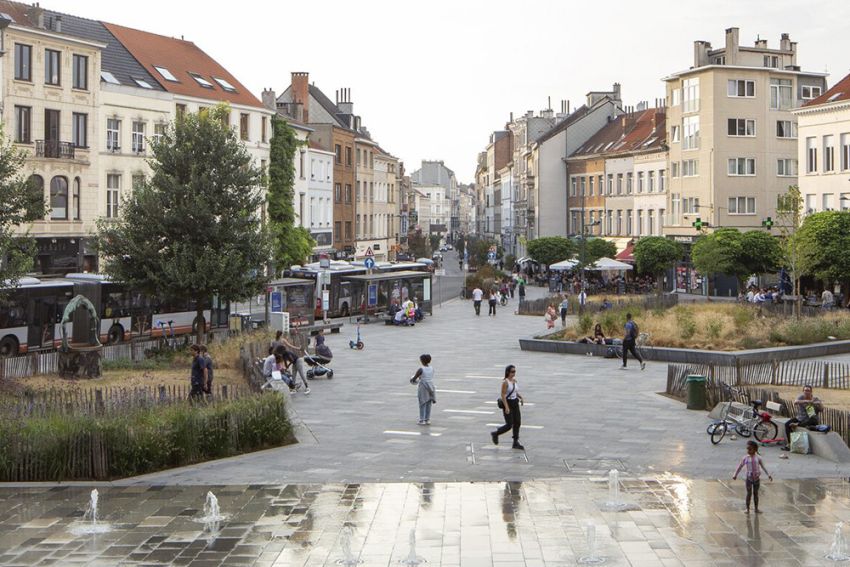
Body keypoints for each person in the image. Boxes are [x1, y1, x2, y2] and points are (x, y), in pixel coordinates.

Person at [732, 440, 772, 513]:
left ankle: (756, 508)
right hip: (749, 479)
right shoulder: (745, 458)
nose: (748, 451)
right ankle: (747, 509)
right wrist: (735, 474)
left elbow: (763, 467)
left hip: (756, 479)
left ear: (755, 449)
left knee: (756, 494)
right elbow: (740, 466)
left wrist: (768, 474)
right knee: (749, 493)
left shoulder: (758, 458)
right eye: (747, 449)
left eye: (750, 449)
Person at [491, 365, 525, 450]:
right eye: (512, 371)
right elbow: (503, 395)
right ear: (508, 372)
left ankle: (515, 442)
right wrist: (506, 407)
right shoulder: (505, 382)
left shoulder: (514, 381)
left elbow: (515, 391)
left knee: (517, 422)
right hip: (508, 403)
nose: (514, 373)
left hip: (515, 403)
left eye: (514, 371)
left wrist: (520, 397)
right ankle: (496, 433)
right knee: (509, 424)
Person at [782, 384, 824, 451]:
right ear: (803, 391)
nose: (806, 392)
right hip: (800, 418)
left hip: (810, 419)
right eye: (805, 390)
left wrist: (818, 404)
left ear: (811, 392)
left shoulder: (815, 399)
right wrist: (807, 401)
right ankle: (790, 443)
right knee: (787, 424)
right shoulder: (801, 397)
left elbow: (822, 409)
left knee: (812, 421)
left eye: (808, 390)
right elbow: (795, 402)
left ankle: (797, 425)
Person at [410, 353, 436, 425]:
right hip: (431, 386)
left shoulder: (421, 369)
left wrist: (413, 380)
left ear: (422, 361)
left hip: (423, 387)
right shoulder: (432, 368)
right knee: (428, 403)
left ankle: (422, 420)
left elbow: (414, 378)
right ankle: (427, 419)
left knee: (422, 403)